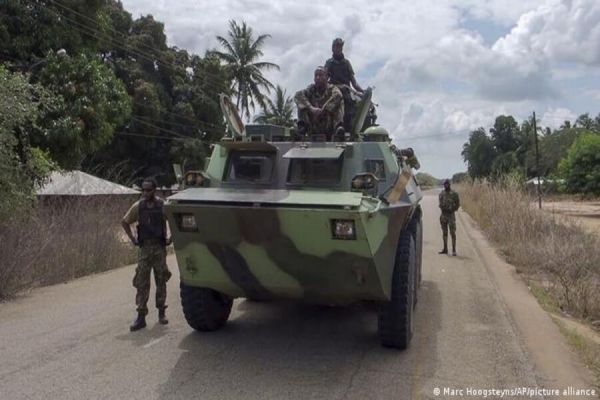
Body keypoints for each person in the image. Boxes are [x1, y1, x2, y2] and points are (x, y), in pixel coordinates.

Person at [121, 177, 172, 331]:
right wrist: (132, 239)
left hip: (159, 248)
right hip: (144, 249)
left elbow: (175, 219)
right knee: (142, 282)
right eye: (143, 190)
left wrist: (171, 238)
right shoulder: (138, 206)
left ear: (154, 190)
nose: (145, 192)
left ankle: (161, 312)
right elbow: (124, 221)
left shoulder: (163, 205)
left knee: (161, 280)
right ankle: (141, 316)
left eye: (148, 190)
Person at [294, 66, 345, 141]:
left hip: (330, 127)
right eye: (316, 75)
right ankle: (302, 128)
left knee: (338, 101)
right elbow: (298, 95)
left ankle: (338, 128)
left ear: (327, 78)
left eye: (321, 75)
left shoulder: (332, 88)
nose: (318, 78)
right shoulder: (311, 89)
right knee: (302, 101)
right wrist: (311, 108)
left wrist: (323, 110)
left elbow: (338, 95)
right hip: (313, 126)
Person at [324, 38, 364, 132]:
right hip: (333, 90)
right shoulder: (329, 63)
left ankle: (347, 129)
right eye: (337, 46)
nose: (339, 49)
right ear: (333, 48)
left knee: (351, 104)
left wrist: (362, 91)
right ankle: (336, 127)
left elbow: (354, 82)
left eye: (340, 47)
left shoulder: (346, 63)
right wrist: (337, 86)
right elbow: (324, 80)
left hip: (347, 92)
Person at [438, 179, 460, 256]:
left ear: (449, 184)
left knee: (452, 233)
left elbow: (457, 205)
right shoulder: (441, 194)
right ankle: (445, 248)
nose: (446, 185)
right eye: (445, 184)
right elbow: (440, 203)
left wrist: (452, 209)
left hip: (451, 216)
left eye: (447, 184)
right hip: (443, 215)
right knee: (444, 233)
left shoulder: (454, 194)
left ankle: (454, 249)